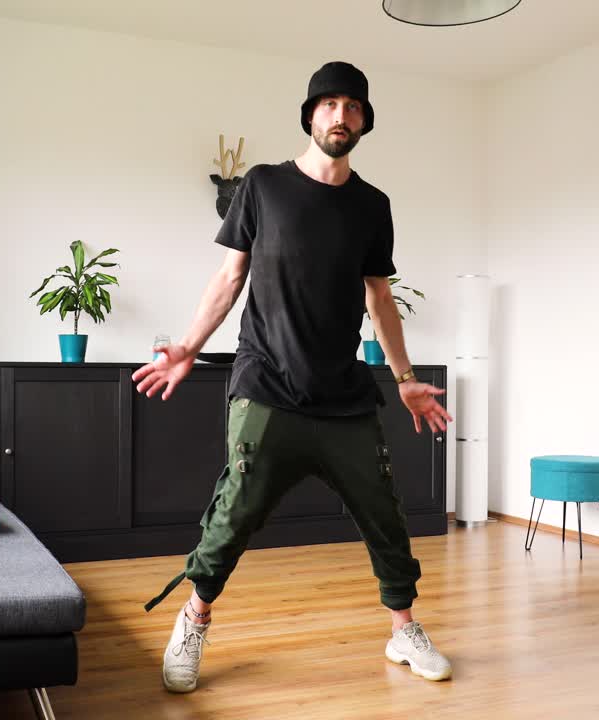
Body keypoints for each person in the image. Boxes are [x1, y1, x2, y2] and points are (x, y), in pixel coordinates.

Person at [133, 60, 454, 693]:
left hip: (344, 396)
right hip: (267, 385)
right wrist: (189, 347)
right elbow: (229, 278)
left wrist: (406, 378)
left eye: (353, 107)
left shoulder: (372, 205)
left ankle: (403, 629)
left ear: (363, 122)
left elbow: (379, 297)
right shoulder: (262, 186)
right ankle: (194, 619)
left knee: (384, 514)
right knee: (235, 514)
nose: (341, 116)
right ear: (310, 116)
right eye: (329, 105)